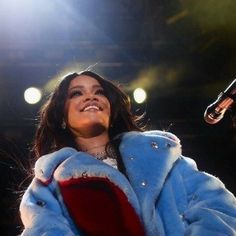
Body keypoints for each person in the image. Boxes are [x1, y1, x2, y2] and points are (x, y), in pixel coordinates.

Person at [19, 70, 236, 236]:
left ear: (111, 112)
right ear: (62, 118)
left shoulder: (163, 158)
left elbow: (219, 207)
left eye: (99, 92)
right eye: (76, 93)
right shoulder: (47, 186)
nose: (90, 97)